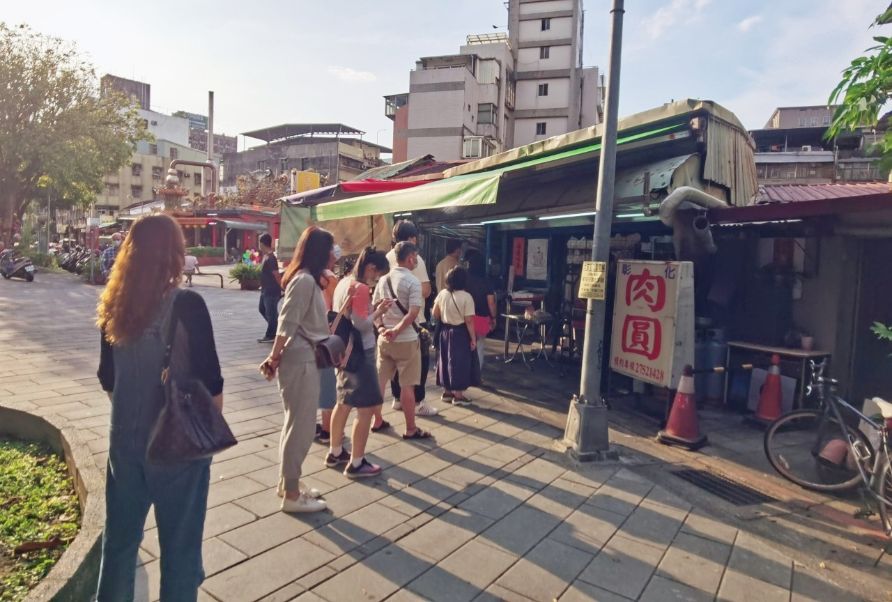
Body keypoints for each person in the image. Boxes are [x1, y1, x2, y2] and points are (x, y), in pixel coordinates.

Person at [95, 215, 224, 601]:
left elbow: (107, 379)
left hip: (124, 443)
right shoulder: (187, 304)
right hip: (176, 449)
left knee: (119, 545)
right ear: (174, 253)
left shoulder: (112, 308)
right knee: (180, 554)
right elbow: (212, 385)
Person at [260, 226, 335, 513]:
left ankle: (288, 483)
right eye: (330, 249)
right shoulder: (303, 281)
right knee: (301, 428)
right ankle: (291, 495)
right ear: (319, 252)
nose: (334, 254)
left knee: (295, 424)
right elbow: (287, 322)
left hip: (304, 357)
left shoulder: (308, 279)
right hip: (301, 359)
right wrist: (274, 356)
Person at [327, 248, 393, 477]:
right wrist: (379, 313)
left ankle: (335, 451)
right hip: (360, 354)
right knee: (365, 409)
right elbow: (361, 324)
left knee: (343, 402)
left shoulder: (344, 283)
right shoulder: (362, 288)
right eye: (378, 275)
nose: (376, 280)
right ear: (371, 268)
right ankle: (357, 463)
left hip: (343, 352)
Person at [374, 242, 431, 439]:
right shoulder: (413, 282)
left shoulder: (383, 280)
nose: (416, 260)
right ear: (409, 258)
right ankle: (410, 429)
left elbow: (375, 309)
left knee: (380, 382)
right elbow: (414, 313)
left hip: (384, 340)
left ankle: (376, 420)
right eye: (415, 256)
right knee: (408, 386)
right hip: (406, 341)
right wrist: (397, 330)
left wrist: (382, 328)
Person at [385, 221, 438, 417]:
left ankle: (398, 399)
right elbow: (425, 290)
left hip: (391, 320)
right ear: (411, 238)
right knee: (419, 364)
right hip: (415, 320)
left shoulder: (386, 258)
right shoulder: (416, 259)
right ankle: (419, 402)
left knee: (395, 361)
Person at [432, 266, 477, 405]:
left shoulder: (442, 294)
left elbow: (435, 313)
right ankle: (458, 395)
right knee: (459, 363)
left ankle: (447, 392)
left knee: (445, 360)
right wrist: (473, 339)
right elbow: (469, 321)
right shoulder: (467, 297)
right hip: (460, 333)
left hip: (444, 332)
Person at [315, 251, 341, 444]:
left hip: (310, 333)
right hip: (325, 333)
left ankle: (319, 426)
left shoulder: (306, 274)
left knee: (316, 381)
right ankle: (327, 429)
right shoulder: (329, 277)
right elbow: (335, 307)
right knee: (327, 382)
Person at [465, 248, 497, 371]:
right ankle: (476, 374)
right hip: (482, 319)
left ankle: (466, 372)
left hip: (467, 317)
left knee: (467, 345)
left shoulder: (465, 279)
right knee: (479, 346)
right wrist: (494, 318)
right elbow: (491, 303)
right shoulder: (486, 281)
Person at [257, 233, 282, 343]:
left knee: (271, 313)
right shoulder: (266, 256)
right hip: (265, 289)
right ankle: (277, 329)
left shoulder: (271, 258)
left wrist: (282, 287)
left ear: (262, 243)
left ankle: (271, 334)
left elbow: (276, 274)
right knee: (262, 309)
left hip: (272, 290)